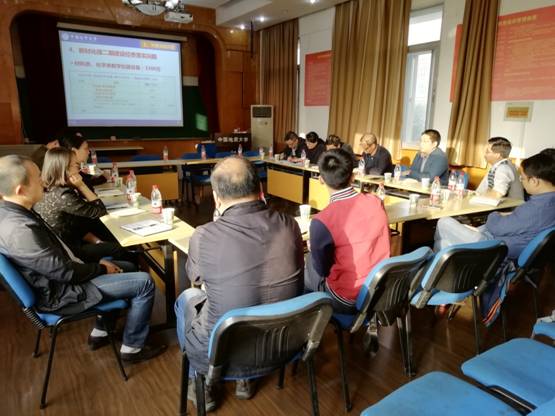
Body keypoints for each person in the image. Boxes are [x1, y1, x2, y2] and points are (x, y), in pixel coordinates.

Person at [0, 155, 166, 362]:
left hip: (60, 279)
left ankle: (102, 330)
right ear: (20, 190)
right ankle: (132, 348)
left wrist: (98, 263)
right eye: (38, 177)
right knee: (145, 282)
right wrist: (101, 268)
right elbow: (65, 273)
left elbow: (62, 255)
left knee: (126, 266)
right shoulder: (21, 230)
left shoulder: (13, 214)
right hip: (62, 293)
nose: (43, 181)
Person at [174, 156, 303, 411]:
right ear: (260, 188)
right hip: (282, 341)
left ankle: (201, 379)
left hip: (222, 348)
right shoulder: (290, 224)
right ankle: (245, 379)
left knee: (186, 298)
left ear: (216, 197)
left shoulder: (204, 234)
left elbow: (195, 277)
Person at [305, 149, 390, 313]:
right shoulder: (376, 201)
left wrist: (314, 249)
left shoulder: (322, 220)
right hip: (381, 288)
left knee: (307, 266)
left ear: (321, 179)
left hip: (347, 298)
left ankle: (313, 322)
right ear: (353, 176)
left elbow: (322, 270)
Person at [434, 151, 555, 260]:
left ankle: (437, 270)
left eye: (522, 178)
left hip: (494, 248)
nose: (521, 181)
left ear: (534, 181)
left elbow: (496, 227)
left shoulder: (536, 208)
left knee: (443, 222)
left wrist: (495, 214)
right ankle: (440, 270)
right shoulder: (547, 203)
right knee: (444, 244)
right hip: (504, 242)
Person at [34, 147, 134, 264]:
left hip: (66, 243)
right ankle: (129, 269)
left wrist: (96, 241)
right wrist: (81, 186)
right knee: (120, 247)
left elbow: (75, 225)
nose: (79, 168)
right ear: (65, 169)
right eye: (76, 165)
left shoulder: (49, 189)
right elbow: (100, 211)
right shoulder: (63, 195)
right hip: (70, 251)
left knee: (107, 233)